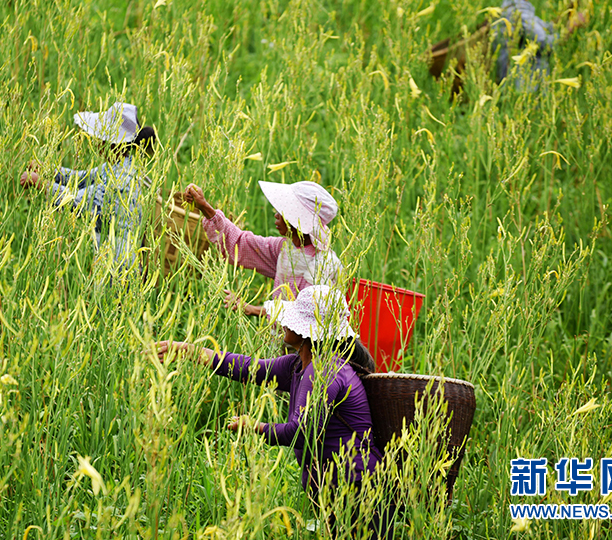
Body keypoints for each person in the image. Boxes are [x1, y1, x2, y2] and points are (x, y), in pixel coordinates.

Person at [156, 285, 387, 538]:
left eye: (293, 320)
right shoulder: (299, 364)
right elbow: (244, 367)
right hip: (334, 484)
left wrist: (256, 426)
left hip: (356, 485)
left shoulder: (325, 371)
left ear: (309, 332)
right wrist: (186, 349)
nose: (284, 323)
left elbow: (301, 432)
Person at [20, 102, 156, 271]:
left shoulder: (121, 179)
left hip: (119, 265)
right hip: (109, 256)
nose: (95, 140)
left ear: (113, 143)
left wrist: (42, 184)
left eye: (99, 137)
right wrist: (48, 170)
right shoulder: (116, 167)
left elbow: (78, 201)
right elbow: (80, 179)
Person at [182, 180, 342, 316]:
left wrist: (253, 309)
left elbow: (307, 315)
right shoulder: (285, 248)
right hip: (279, 343)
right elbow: (241, 244)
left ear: (297, 222)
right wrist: (204, 207)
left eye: (283, 212)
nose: (276, 215)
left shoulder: (323, 265)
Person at [491, 0, 586, 91]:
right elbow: (548, 44)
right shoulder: (518, 13)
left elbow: (545, 28)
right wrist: (572, 27)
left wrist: (569, 10)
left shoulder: (515, 7)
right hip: (523, 87)